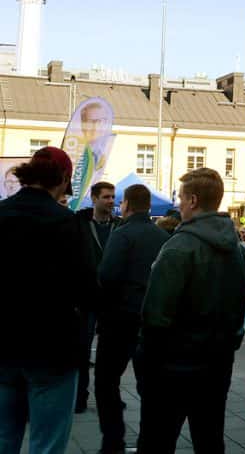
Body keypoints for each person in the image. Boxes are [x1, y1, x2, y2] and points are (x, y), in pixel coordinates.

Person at [138, 168, 245, 453]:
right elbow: (240, 302)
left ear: (193, 201)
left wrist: (146, 362)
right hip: (217, 363)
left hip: (173, 366)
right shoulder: (236, 247)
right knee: (210, 439)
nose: (177, 203)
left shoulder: (180, 246)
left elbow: (155, 314)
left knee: (157, 440)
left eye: (181, 197)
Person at [0, 147, 94, 453]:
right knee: (47, 443)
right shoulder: (67, 223)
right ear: (63, 179)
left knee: (3, 438)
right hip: (53, 349)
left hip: (4, 346)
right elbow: (87, 288)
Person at [95, 184, 168, 454]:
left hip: (119, 320)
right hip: (151, 320)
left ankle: (113, 440)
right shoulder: (162, 236)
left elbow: (107, 275)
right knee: (150, 386)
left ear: (126, 204)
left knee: (105, 382)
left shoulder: (122, 233)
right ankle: (148, 443)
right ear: (148, 205)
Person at [74, 180, 119, 414]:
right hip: (87, 297)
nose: (111, 201)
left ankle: (110, 396)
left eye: (113, 197)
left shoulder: (119, 226)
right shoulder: (80, 223)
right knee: (82, 349)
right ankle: (80, 396)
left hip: (112, 299)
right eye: (106, 197)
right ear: (94, 198)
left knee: (110, 352)